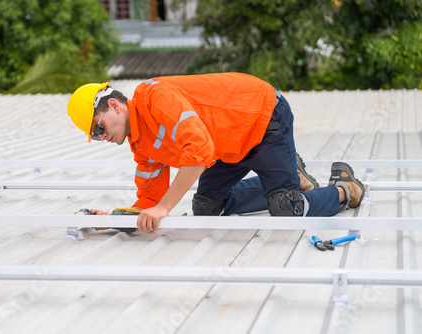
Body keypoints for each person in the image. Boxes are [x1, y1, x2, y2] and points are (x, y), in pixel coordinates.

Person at [67, 73, 365, 231]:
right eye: (96, 136)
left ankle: (344, 188)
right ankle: (290, 174)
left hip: (263, 120)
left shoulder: (155, 98)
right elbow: (149, 204)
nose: (102, 137)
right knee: (207, 208)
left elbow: (198, 149)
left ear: (114, 106)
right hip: (229, 146)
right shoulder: (141, 145)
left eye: (99, 128)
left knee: (286, 208)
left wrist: (165, 207)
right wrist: (114, 220)